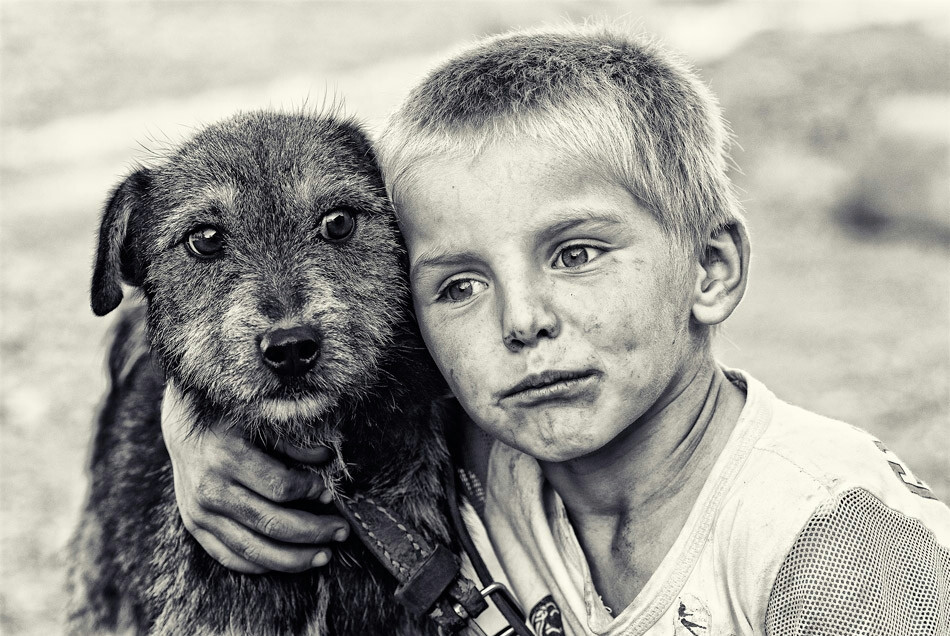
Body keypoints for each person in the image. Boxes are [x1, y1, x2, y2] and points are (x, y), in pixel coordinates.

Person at [160, 24, 950, 635]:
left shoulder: (828, 546)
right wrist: (195, 427)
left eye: (575, 253)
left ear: (709, 270)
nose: (522, 320)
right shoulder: (488, 444)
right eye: (460, 286)